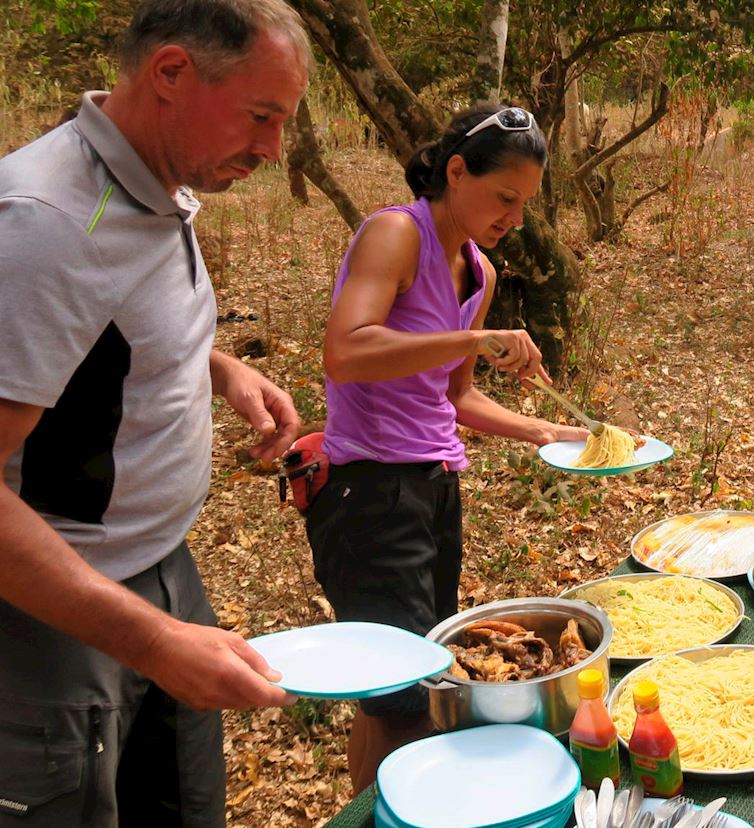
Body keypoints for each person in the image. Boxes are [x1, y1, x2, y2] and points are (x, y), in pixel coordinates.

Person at [0, 1, 310, 825]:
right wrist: (150, 642)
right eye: (261, 115)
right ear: (171, 72)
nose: (274, 149)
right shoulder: (50, 221)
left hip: (163, 566)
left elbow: (89, 336)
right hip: (57, 610)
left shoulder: (149, 183)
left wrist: (215, 366)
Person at [305, 104, 593, 790]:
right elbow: (346, 351)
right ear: (455, 171)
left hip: (433, 486)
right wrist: (472, 339)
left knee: (425, 676)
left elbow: (455, 397)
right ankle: (386, 808)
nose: (514, 218)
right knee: (398, 695)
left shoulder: (481, 272)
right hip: (370, 489)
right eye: (504, 197)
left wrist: (547, 431)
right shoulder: (394, 234)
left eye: (524, 204)